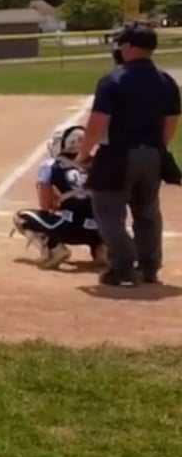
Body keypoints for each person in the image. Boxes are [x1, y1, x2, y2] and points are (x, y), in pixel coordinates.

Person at [73, 21, 181, 286]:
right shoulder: (166, 81)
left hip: (118, 155)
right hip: (153, 153)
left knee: (108, 211)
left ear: (129, 46)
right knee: (147, 211)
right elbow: (171, 122)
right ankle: (149, 267)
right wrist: (157, 149)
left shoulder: (114, 80)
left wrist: (83, 154)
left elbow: (97, 125)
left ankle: (122, 264)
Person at [12, 124, 105, 269]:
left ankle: (54, 250)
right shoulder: (99, 165)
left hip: (68, 229)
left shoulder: (51, 165)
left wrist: (60, 201)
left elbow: (45, 206)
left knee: (21, 217)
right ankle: (102, 249)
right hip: (100, 229)